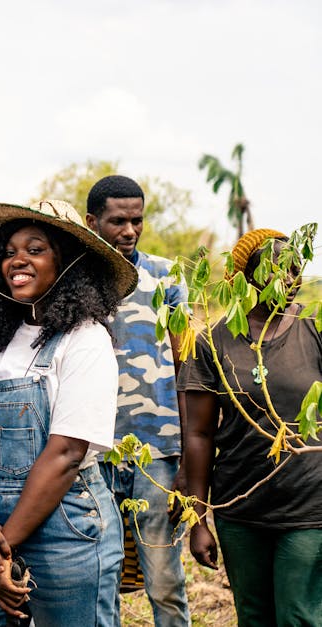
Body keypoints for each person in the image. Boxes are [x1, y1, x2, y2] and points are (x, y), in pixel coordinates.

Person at [0, 199, 138, 626]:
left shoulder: (85, 341)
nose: (18, 260)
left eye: (35, 249)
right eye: (9, 251)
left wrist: (2, 552)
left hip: (65, 526)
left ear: (68, 264)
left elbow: (67, 453)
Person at [179, 228, 322, 627]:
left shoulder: (315, 330)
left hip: (309, 507)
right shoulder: (213, 343)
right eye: (278, 270)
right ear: (245, 277)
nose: (289, 280)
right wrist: (199, 519)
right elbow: (198, 434)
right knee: (254, 616)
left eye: (295, 269)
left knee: (299, 616)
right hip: (240, 508)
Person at [85, 175, 191, 626]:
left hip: (159, 449)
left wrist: (189, 453)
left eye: (137, 221)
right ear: (93, 222)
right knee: (101, 572)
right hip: (93, 448)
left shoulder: (166, 276)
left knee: (164, 577)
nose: (129, 231)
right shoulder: (77, 280)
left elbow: (187, 363)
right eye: (117, 221)